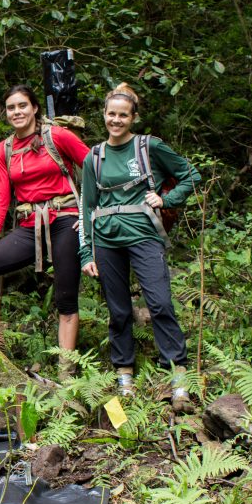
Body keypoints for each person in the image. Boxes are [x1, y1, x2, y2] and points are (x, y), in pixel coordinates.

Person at [79, 83, 201, 412]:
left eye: (123, 115)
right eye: (111, 114)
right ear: (103, 115)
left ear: (133, 117)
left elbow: (190, 174)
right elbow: (86, 207)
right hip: (106, 240)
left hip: (144, 235)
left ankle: (178, 379)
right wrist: (86, 253)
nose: (116, 120)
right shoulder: (94, 157)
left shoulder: (149, 147)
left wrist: (167, 198)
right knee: (118, 312)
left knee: (160, 303)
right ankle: (124, 376)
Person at [0, 85, 90, 376]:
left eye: (22, 105)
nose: (17, 112)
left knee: (65, 297)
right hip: (29, 226)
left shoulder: (57, 136)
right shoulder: (4, 149)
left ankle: (66, 372)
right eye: (11, 108)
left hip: (64, 220)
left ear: (34, 108)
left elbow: (95, 169)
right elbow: (0, 200)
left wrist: (88, 216)